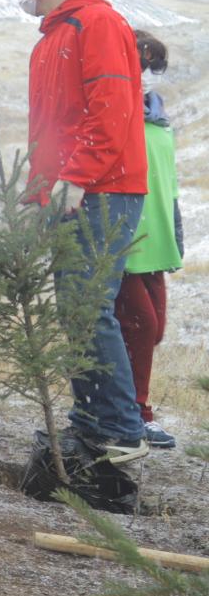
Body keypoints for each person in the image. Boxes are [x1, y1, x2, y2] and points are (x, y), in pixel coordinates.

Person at [22, 0, 149, 466]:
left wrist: (77, 175)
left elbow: (112, 107)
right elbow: (49, 127)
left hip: (102, 189)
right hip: (70, 192)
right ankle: (91, 420)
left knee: (88, 308)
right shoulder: (53, 37)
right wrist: (38, 191)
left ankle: (120, 431)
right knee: (76, 311)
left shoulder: (95, 24)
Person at [115, 31, 182, 449]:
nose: (142, 70)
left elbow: (169, 182)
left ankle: (126, 405)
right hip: (122, 237)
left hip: (156, 237)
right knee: (140, 325)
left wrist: (175, 233)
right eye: (139, 60)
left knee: (153, 331)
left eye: (149, 63)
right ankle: (133, 413)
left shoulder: (157, 115)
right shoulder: (112, 109)